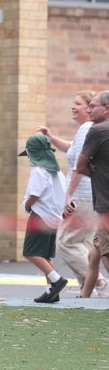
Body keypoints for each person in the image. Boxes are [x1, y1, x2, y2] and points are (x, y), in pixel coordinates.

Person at [38, 91, 109, 297]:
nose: (75, 107)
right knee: (90, 246)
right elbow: (72, 148)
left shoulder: (89, 129)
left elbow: (80, 165)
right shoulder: (86, 131)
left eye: (79, 103)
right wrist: (51, 137)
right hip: (91, 197)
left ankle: (100, 284)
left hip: (82, 197)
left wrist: (68, 196)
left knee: (67, 242)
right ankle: (87, 291)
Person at [19, 133, 68, 303]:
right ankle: (51, 292)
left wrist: (27, 205)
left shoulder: (39, 171)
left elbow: (34, 194)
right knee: (45, 255)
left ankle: (56, 280)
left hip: (40, 217)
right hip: (54, 218)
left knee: (31, 252)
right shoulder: (58, 174)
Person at [77, 90, 109, 297]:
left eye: (93, 106)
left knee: (106, 251)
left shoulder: (97, 130)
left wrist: (92, 170)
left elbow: (80, 166)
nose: (89, 109)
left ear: (107, 109)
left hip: (105, 203)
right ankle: (85, 296)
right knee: (94, 254)